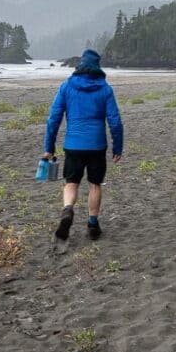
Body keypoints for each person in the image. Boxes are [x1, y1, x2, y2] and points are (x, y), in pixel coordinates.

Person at [43, 49, 123, 241]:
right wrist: (117, 147)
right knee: (95, 184)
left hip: (73, 144)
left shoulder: (67, 87)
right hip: (97, 145)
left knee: (72, 182)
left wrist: (49, 146)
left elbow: (53, 118)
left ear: (80, 65)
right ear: (98, 66)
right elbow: (115, 121)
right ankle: (93, 225)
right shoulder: (105, 89)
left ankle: (68, 209)